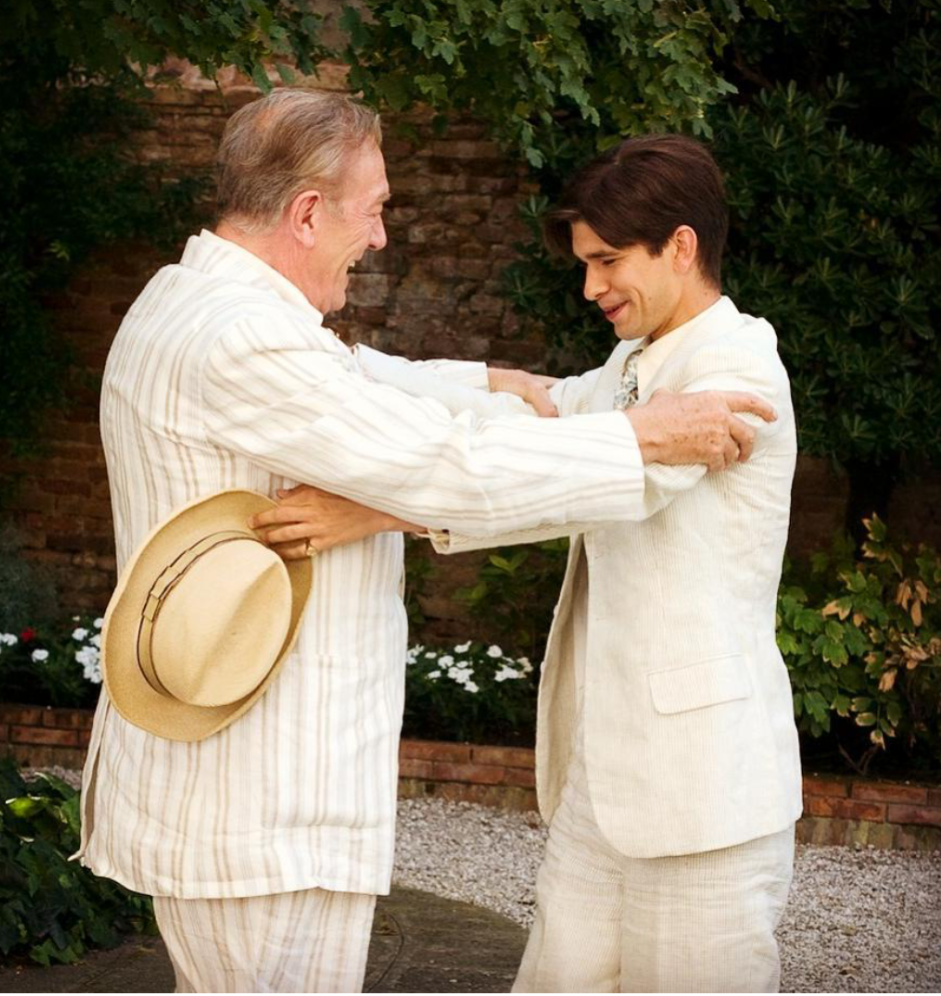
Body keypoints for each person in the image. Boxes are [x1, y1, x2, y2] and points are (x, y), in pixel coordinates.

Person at [76, 87, 776, 994]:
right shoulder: (241, 337)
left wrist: (479, 400)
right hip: (260, 804)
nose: (379, 237)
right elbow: (445, 461)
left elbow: (365, 382)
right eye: (372, 212)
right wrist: (638, 435)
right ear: (306, 213)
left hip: (262, 801)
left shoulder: (196, 302)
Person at [263, 134, 801, 992]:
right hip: (603, 782)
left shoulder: (737, 366)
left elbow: (585, 485)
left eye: (608, 261)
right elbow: (540, 413)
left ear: (683, 247)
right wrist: (340, 371)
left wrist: (367, 511)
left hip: (704, 794)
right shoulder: (638, 361)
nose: (590, 288)